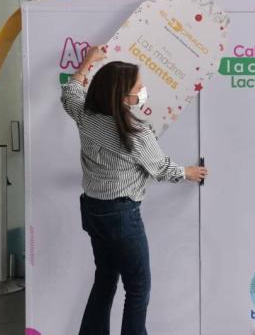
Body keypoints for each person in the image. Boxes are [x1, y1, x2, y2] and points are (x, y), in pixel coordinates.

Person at [61, 45, 207, 335]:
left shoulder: (86, 116)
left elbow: (70, 94)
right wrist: (188, 172)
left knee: (105, 278)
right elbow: (160, 168)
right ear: (122, 96)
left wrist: (88, 61)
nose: (143, 91)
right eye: (139, 88)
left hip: (93, 210)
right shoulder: (135, 133)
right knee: (138, 288)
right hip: (121, 215)